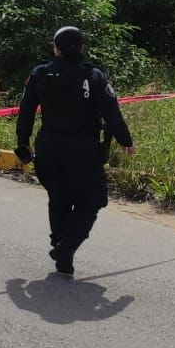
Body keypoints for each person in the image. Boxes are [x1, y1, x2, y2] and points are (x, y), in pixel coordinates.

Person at [15, 26, 135, 276]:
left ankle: (60, 245)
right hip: (82, 150)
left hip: (48, 147)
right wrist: (125, 141)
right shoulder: (93, 77)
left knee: (58, 196)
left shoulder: (40, 73)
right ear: (81, 47)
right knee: (92, 200)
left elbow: (25, 111)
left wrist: (23, 142)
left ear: (55, 48)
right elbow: (112, 113)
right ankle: (66, 247)